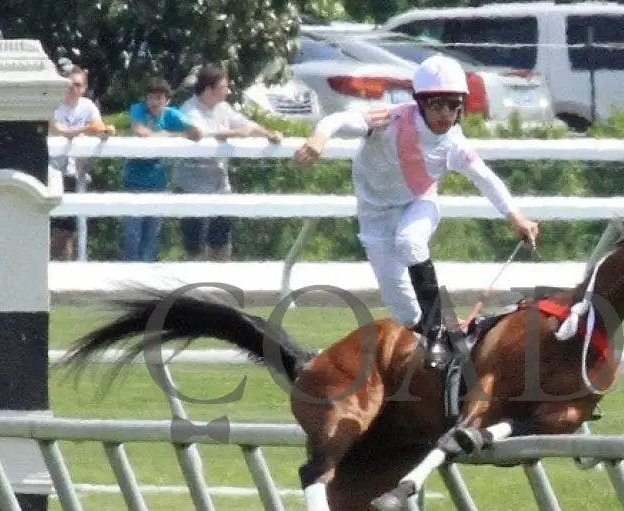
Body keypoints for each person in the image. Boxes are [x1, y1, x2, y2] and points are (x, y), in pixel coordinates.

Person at [294, 55, 539, 370]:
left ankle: (439, 335)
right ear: (420, 103)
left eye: (453, 106)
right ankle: (438, 354)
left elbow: (486, 179)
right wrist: (319, 138)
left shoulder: (454, 142)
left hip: (418, 204)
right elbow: (340, 119)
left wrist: (516, 217)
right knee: (407, 315)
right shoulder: (391, 119)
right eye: (437, 104)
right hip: (375, 219)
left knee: (410, 243)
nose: (445, 114)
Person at [170, 64, 283, 260]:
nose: (227, 91)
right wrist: (235, 133)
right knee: (194, 243)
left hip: (219, 184)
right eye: (223, 87)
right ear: (209, 89)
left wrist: (268, 134)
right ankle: (193, 284)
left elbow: (244, 123)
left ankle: (221, 282)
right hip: (192, 185)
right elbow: (200, 133)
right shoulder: (189, 110)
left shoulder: (223, 107)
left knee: (221, 239)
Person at [122, 77, 202, 261]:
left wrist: (171, 134)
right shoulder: (138, 109)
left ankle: (146, 276)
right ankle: (129, 276)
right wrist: (173, 135)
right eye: (151, 97)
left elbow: (196, 133)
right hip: (134, 180)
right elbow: (141, 132)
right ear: (146, 99)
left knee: (151, 235)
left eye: (160, 98)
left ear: (167, 101)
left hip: (159, 181)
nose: (155, 102)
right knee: (133, 235)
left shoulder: (172, 114)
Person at [49, 66, 115, 260]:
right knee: (53, 227)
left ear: (84, 88)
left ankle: (67, 267)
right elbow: (60, 130)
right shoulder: (52, 105)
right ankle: (48, 264)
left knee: (70, 229)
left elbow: (99, 127)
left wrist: (106, 131)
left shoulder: (87, 106)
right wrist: (87, 128)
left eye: (77, 84)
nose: (72, 88)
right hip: (50, 171)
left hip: (74, 172)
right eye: (69, 84)